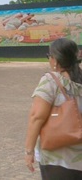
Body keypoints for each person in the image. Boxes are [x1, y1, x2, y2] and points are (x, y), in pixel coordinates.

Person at [25, 38, 82, 178]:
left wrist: (29, 151)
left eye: (49, 56)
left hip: (57, 158)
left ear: (55, 59)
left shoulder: (51, 80)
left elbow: (36, 117)